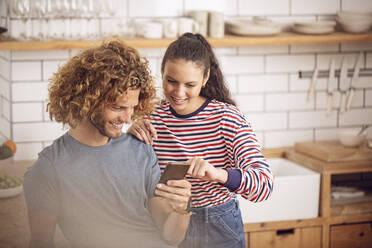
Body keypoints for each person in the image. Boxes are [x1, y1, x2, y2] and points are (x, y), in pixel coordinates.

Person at [23, 39, 192, 248]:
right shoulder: (49, 168)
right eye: (118, 107)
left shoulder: (140, 149)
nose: (129, 118)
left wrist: (180, 209)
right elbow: (41, 243)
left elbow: (171, 236)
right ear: (88, 100)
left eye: (132, 108)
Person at [128, 33, 274, 248]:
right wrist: (130, 136)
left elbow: (264, 185)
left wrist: (218, 174)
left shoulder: (227, 118)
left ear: (205, 79)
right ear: (162, 73)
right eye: (171, 81)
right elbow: (137, 179)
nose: (178, 92)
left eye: (190, 84)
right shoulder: (152, 117)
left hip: (217, 226)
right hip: (166, 223)